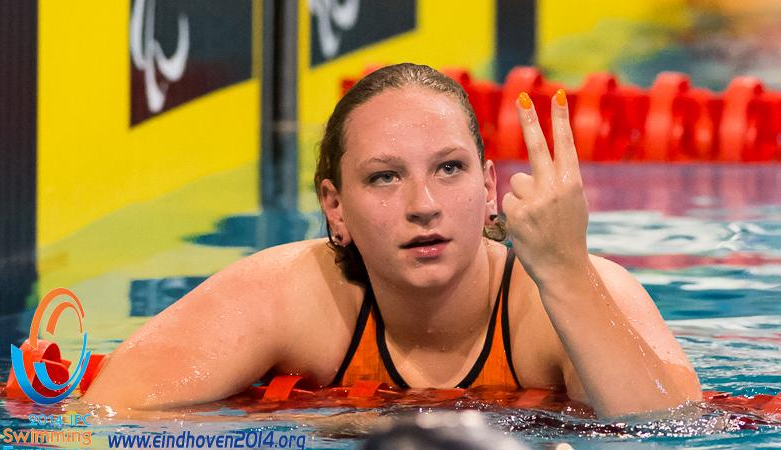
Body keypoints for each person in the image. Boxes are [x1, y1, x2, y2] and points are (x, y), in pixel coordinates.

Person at [82, 63, 702, 418]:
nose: (423, 205)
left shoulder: (560, 299)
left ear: (490, 189)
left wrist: (566, 271)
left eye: (449, 168)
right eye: (384, 177)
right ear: (335, 207)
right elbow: (103, 421)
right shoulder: (288, 295)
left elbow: (674, 430)